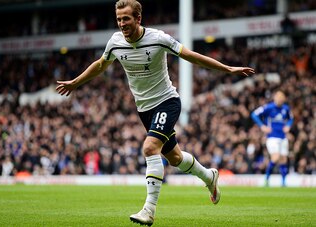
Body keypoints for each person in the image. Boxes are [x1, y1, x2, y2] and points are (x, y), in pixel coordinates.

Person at [56, 0, 255, 225]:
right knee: (176, 158)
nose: (122, 23)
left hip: (167, 102)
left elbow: (190, 55)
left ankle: (149, 210)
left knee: (150, 148)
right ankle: (209, 176)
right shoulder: (115, 42)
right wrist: (76, 82)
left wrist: (227, 68)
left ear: (138, 19)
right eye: (119, 19)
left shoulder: (158, 38)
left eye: (126, 19)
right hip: (145, 110)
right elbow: (101, 64)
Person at [251, 91, 294, 187]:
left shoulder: (286, 108)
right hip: (272, 137)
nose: (280, 101)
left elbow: (291, 118)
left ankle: (283, 182)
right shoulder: (269, 107)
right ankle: (266, 178)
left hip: (283, 137)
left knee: (283, 159)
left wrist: (288, 126)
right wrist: (262, 126)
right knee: (276, 157)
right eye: (279, 99)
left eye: (282, 99)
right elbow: (254, 114)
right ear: (275, 98)